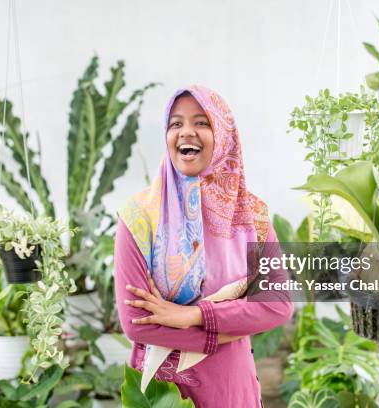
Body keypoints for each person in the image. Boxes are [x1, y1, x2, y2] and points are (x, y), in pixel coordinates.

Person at [114, 85, 294, 407]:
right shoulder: (139, 216)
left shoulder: (254, 217)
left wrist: (193, 316)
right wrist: (227, 331)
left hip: (228, 385)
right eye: (175, 123)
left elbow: (277, 304)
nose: (186, 132)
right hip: (162, 389)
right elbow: (136, 323)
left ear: (224, 136)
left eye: (201, 122)